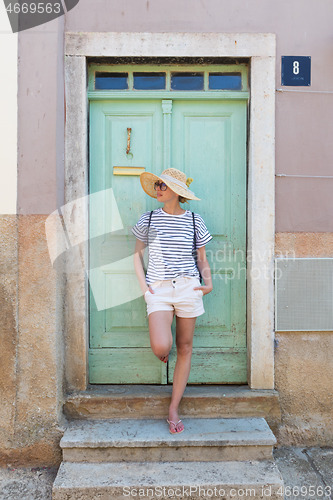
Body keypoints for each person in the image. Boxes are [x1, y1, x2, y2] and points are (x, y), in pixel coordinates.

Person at [132, 168, 213, 434]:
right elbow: (136, 257)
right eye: (157, 184)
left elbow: (201, 258)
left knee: (185, 347)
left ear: (177, 191)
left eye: (163, 186)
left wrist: (208, 283)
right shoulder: (149, 218)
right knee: (161, 346)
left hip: (189, 287)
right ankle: (164, 352)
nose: (158, 189)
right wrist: (146, 288)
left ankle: (173, 407)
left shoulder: (194, 220)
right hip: (159, 290)